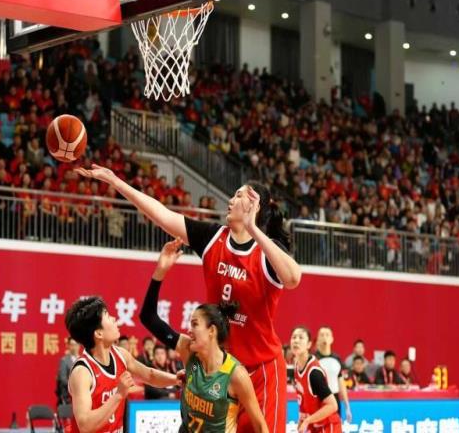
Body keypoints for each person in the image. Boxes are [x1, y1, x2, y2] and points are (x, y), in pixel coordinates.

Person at [75, 164, 302, 432]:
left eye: (239, 195)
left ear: (255, 205)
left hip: (262, 370)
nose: (230, 200)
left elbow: (293, 279)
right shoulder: (213, 238)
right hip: (222, 371)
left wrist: (253, 228)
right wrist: (115, 181)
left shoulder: (267, 252)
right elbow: (161, 214)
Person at [140, 238, 269, 432]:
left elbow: (259, 424)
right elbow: (148, 317)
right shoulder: (188, 350)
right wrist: (160, 271)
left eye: (195, 324)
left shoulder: (235, 374)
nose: (189, 330)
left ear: (211, 331)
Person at [65, 296, 181, 433]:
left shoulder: (120, 354)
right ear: (99, 333)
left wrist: (177, 379)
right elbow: (85, 425)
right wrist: (119, 394)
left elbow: (149, 375)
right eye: (108, 316)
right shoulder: (82, 372)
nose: (114, 319)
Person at [291, 326, 341, 433]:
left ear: (309, 344)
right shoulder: (297, 367)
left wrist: (307, 420)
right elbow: (302, 398)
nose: (296, 340)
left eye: (300, 337)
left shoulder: (314, 373)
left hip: (328, 426)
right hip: (315, 425)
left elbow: (333, 405)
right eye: (294, 337)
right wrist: (302, 418)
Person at [315, 327, 352, 422]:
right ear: (318, 339)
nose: (324, 337)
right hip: (319, 400)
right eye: (322, 335)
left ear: (332, 339)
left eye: (327, 335)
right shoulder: (313, 359)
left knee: (335, 427)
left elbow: (341, 383)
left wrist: (347, 406)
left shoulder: (337, 359)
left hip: (335, 399)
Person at [55, 337, 79, 405]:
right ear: (68, 346)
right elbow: (63, 379)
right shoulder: (64, 361)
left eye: (76, 344)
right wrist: (75, 386)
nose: (74, 347)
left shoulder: (83, 359)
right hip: (68, 396)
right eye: (72, 345)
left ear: (79, 345)